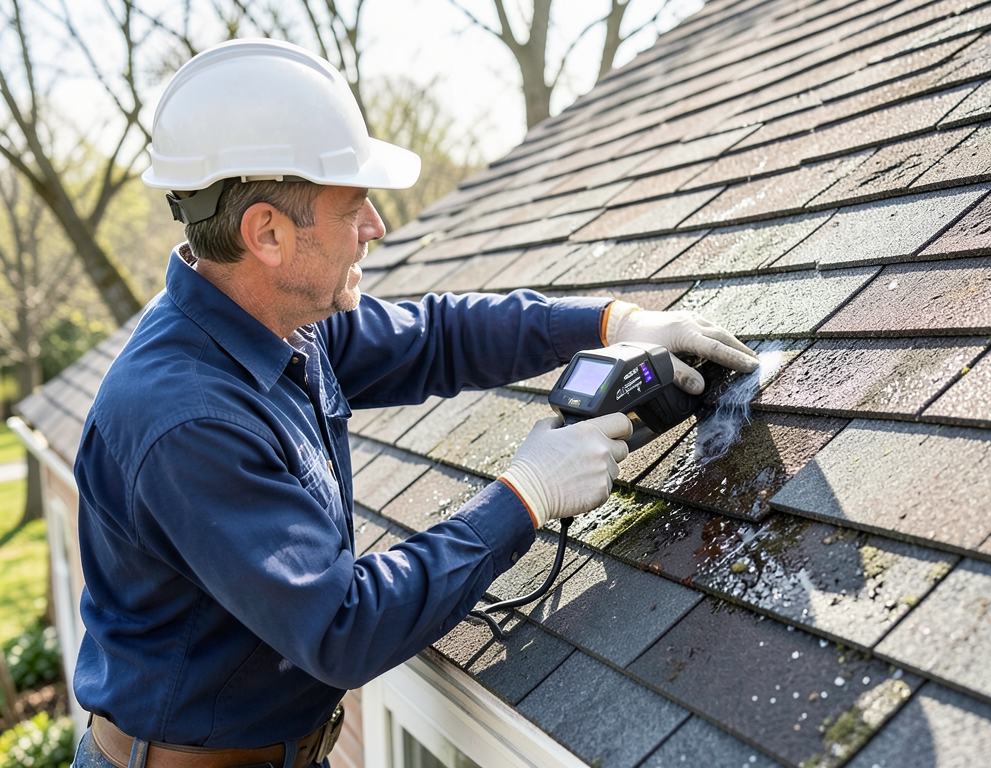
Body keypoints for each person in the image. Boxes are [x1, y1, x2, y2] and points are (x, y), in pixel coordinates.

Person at [70, 39, 759, 768]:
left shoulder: (276, 321)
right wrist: (525, 496)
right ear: (266, 232)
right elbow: (341, 627)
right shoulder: (188, 420)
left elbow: (437, 337)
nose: (376, 225)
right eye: (352, 207)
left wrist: (612, 323)